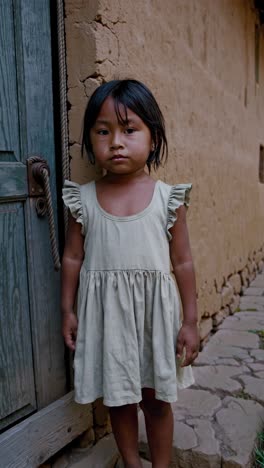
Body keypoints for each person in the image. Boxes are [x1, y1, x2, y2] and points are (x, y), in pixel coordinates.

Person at [61, 79, 199, 468]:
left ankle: (161, 465)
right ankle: (131, 464)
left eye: (129, 129)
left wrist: (190, 320)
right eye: (104, 131)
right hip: (108, 319)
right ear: (91, 139)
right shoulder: (83, 200)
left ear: (153, 139)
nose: (116, 142)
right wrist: (67, 310)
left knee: (156, 400)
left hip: (155, 319)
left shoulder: (167, 199)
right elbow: (72, 258)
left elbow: (183, 262)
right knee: (119, 400)